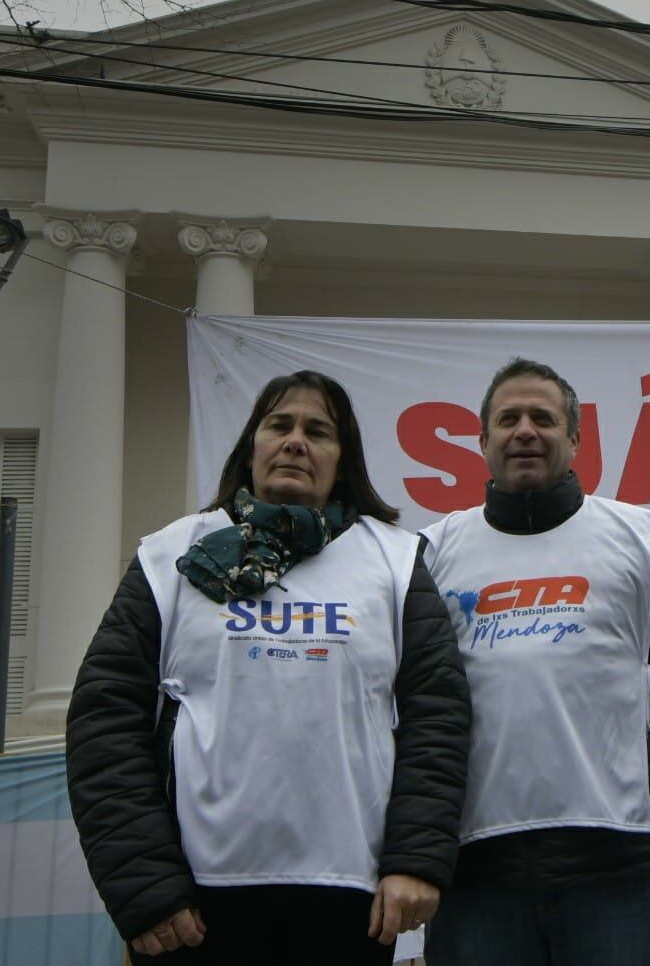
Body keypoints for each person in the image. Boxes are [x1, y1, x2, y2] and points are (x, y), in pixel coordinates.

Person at [66, 370, 470, 965]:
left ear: (343, 459)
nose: (295, 441)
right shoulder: (171, 555)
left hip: (350, 902)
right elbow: (104, 719)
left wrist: (414, 860)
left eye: (318, 431)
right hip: (194, 911)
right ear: (251, 446)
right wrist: (145, 888)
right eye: (278, 425)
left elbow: (437, 716)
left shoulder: (395, 560)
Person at [418, 358, 650, 966]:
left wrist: (642, 774)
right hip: (475, 873)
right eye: (507, 419)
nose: (524, 431)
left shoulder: (643, 539)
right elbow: (413, 706)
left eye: (543, 418)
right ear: (482, 440)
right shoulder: (433, 552)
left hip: (618, 867)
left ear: (574, 438)